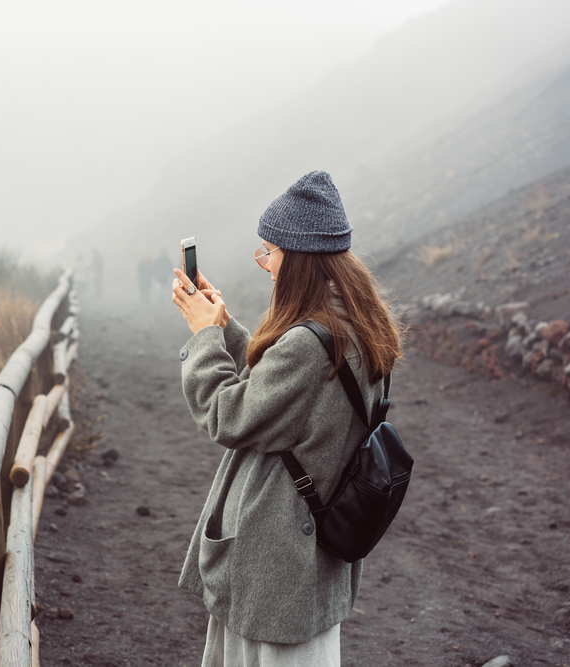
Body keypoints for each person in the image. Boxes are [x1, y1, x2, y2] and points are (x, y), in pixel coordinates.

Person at [170, 171, 402, 667]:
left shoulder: (307, 346)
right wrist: (226, 326)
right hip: (307, 557)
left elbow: (228, 415)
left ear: (297, 258)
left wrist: (204, 339)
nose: (265, 264)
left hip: (275, 559)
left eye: (269, 251)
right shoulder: (354, 322)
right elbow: (284, 393)